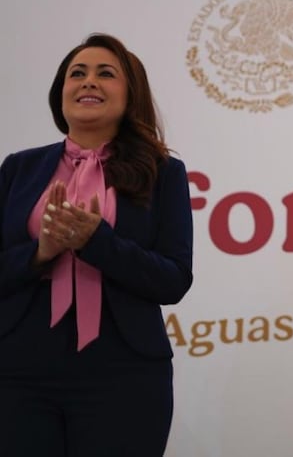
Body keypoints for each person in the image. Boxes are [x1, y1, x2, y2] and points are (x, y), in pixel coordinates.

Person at [0, 33, 194, 456]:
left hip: (125, 375)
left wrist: (96, 242)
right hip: (17, 373)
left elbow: (174, 279)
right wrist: (40, 251)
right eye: (77, 74)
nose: (89, 82)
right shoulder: (18, 169)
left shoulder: (164, 173)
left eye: (106, 74)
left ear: (130, 95)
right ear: (61, 93)